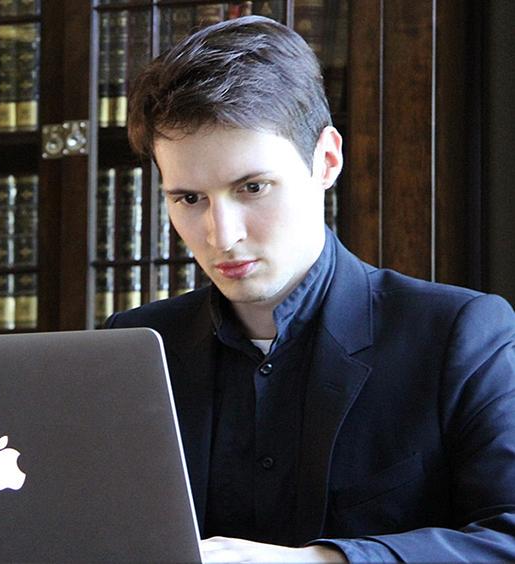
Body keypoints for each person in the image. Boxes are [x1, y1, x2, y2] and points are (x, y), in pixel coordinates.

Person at [105, 15, 515, 563]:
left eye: (253, 187)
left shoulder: (458, 336)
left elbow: (507, 538)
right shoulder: (134, 345)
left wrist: (318, 561)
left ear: (326, 160)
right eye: (189, 199)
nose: (221, 235)